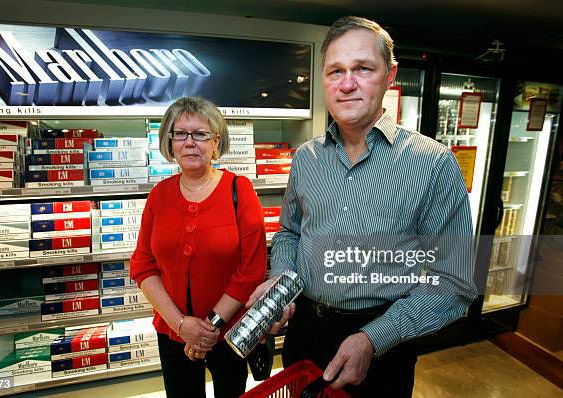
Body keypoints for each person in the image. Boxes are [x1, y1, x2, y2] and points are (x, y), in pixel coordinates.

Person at [247, 16, 477, 397]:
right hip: (305, 331)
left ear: (390, 75)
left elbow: (453, 281)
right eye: (335, 71)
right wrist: (281, 282)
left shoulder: (433, 164)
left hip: (383, 340)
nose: (347, 83)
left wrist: (374, 338)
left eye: (363, 68)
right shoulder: (306, 158)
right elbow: (289, 232)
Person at [130, 97, 267, 398]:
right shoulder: (159, 196)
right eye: (181, 134)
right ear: (170, 142)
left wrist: (207, 329)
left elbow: (252, 269)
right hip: (171, 334)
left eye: (201, 134)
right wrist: (180, 326)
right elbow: (143, 265)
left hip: (229, 334)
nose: (190, 142)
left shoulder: (239, 190)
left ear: (216, 142)